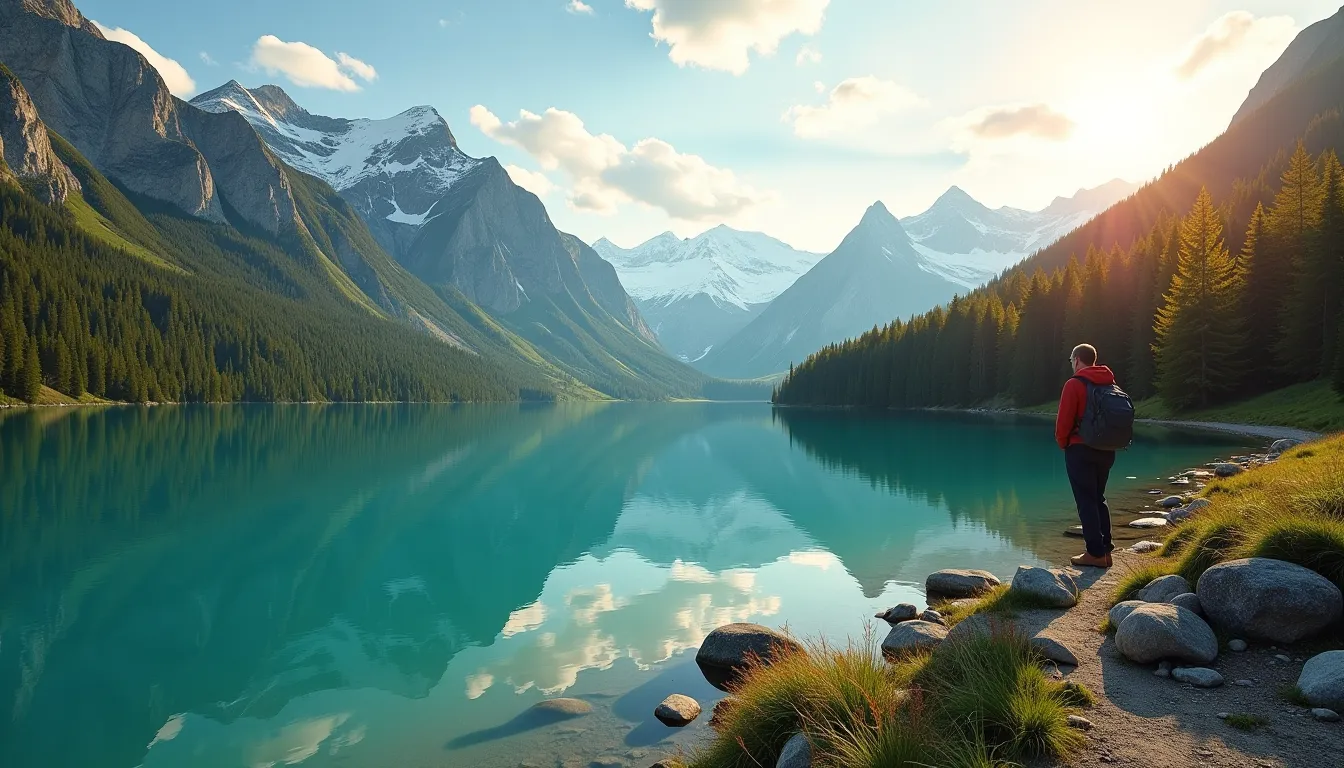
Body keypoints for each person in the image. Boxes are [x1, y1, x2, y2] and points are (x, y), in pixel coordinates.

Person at [1056, 343, 1118, 568]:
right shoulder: (1109, 383)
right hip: (1107, 449)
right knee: (1098, 498)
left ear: (1076, 360)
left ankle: (1094, 553)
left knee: (1086, 500)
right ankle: (1106, 551)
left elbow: (1064, 421)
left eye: (1072, 360)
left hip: (1080, 449)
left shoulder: (1075, 384)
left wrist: (1063, 444)